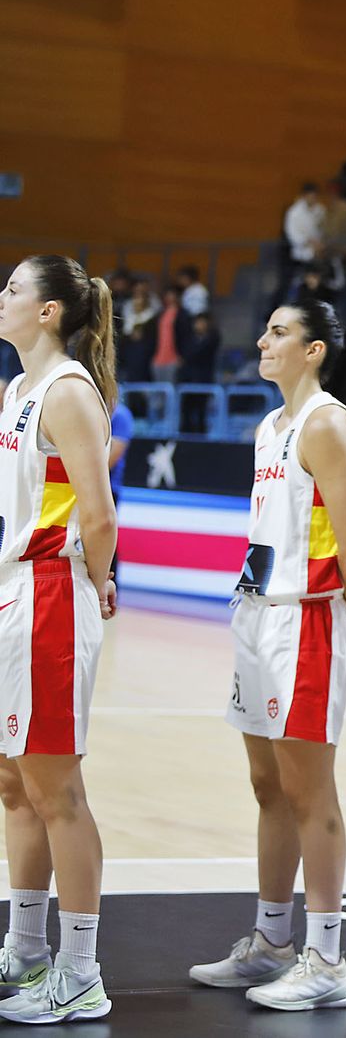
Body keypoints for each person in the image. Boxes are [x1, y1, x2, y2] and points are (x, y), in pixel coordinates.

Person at [189, 300, 346, 1012]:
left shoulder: (327, 421)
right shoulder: (272, 426)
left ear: (315, 350)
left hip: (306, 619)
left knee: (308, 789)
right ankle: (270, 941)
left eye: (278, 332)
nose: (262, 340)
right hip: (257, 614)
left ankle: (326, 957)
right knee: (268, 785)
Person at [0, 256, 119, 1024]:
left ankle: (79, 971)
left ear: (48, 312)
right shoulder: (18, 389)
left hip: (48, 598)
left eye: (12, 287)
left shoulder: (69, 391)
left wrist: (97, 578)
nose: (1, 295)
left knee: (56, 790)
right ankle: (27, 947)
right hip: (16, 594)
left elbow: (98, 512)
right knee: (13, 784)